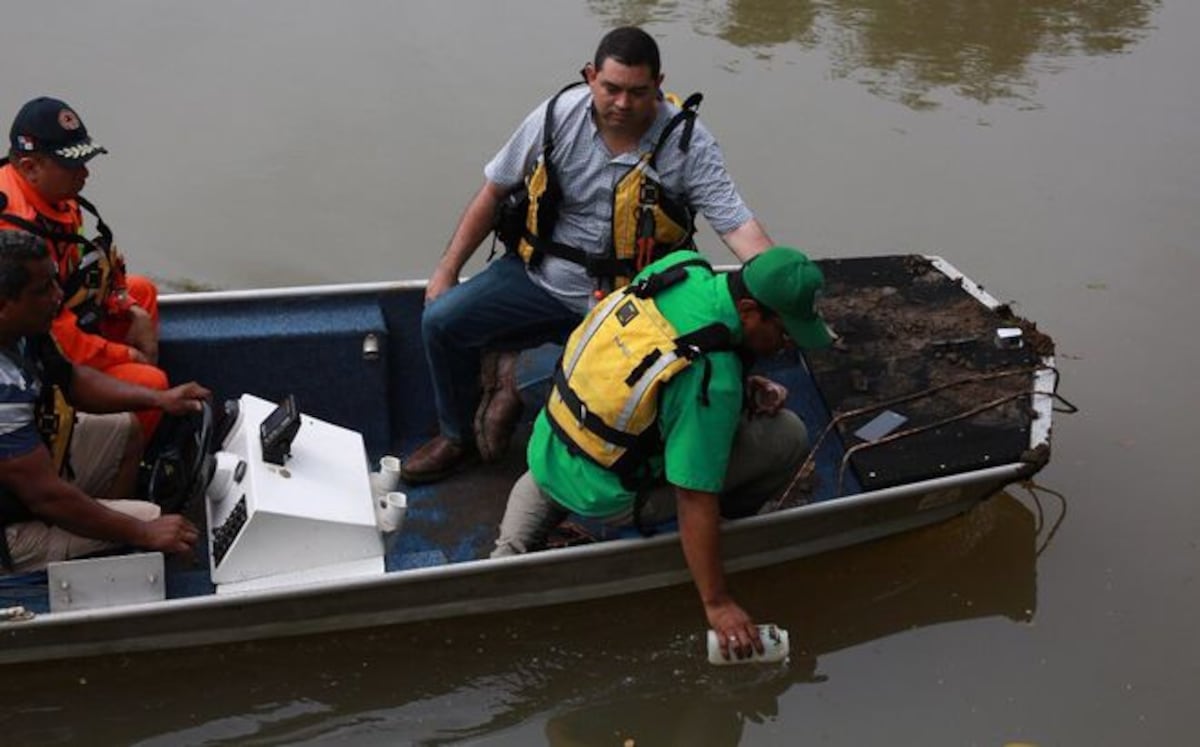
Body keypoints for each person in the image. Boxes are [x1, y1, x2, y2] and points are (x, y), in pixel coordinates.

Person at [402, 26, 776, 484]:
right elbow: (494, 190)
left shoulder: (688, 144)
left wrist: (780, 285)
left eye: (638, 92)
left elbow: (738, 226)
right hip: (543, 281)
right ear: (590, 76)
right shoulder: (557, 116)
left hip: (638, 305)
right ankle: (457, 437)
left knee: (695, 367)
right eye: (611, 89)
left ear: (659, 84)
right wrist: (447, 269)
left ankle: (517, 380)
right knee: (442, 321)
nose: (622, 104)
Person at [491, 246, 832, 661]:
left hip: (552, 440)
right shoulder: (712, 376)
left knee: (584, 458)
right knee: (788, 435)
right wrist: (717, 603)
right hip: (613, 493)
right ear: (748, 310)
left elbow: (653, 356)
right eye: (784, 333)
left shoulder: (681, 269)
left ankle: (507, 554)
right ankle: (729, 526)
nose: (786, 345)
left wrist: (745, 384)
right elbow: (693, 496)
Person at [0, 230, 208, 574]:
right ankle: (118, 560)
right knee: (156, 522)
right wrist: (143, 531)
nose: (57, 297)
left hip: (26, 479)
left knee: (124, 428)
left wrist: (159, 398)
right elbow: (45, 496)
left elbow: (71, 379)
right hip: (10, 531)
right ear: (4, 305)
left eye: (55, 282)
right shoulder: (4, 391)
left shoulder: (25, 329)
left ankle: (109, 538)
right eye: (43, 291)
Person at [0, 96, 167, 440]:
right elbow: (56, 337)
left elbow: (94, 264)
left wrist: (126, 305)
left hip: (59, 307)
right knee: (153, 383)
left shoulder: (51, 193)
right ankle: (118, 465)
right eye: (73, 166)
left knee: (143, 291)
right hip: (32, 349)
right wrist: (131, 354)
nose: (86, 174)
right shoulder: (15, 237)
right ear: (30, 166)